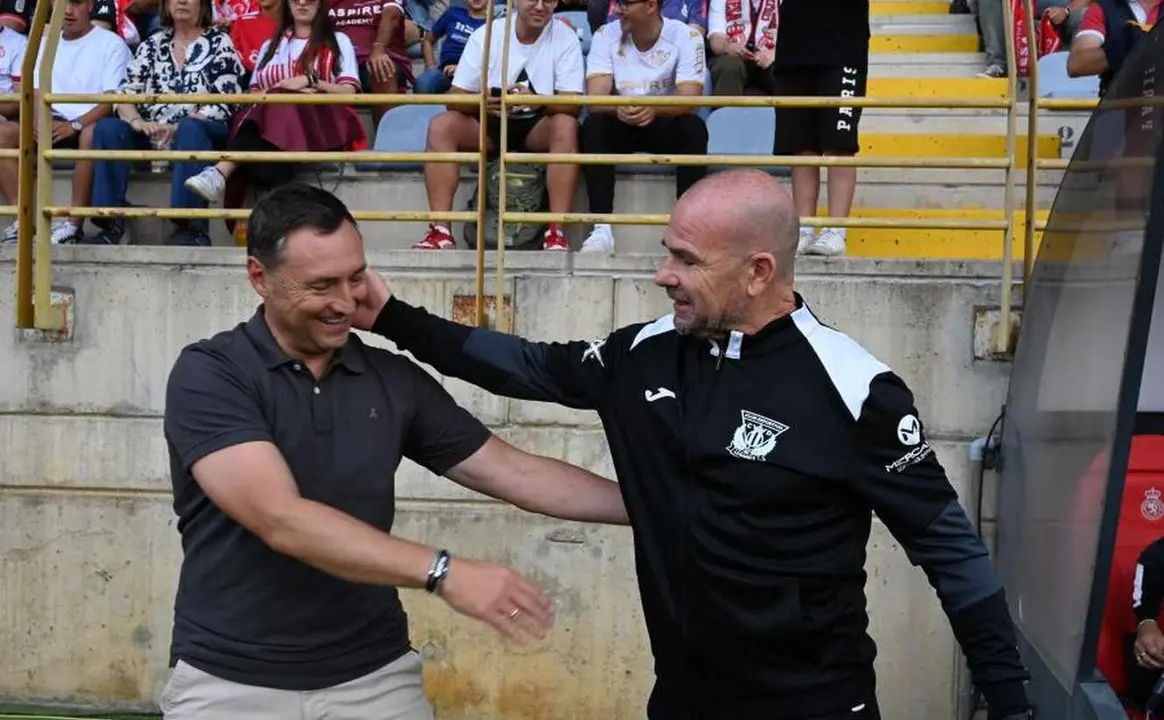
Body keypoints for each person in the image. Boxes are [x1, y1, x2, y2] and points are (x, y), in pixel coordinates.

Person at [357, 168, 1036, 720]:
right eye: (668, 251)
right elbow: (526, 366)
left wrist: (1012, 705)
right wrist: (392, 318)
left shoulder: (856, 389)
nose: (664, 274)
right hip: (682, 701)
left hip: (815, 704)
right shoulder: (644, 354)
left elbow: (954, 557)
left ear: (758, 271)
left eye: (686, 259)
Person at [161, 182, 629, 719]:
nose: (345, 302)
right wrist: (445, 571)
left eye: (356, 277)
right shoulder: (211, 373)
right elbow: (280, 518)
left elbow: (515, 472)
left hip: (375, 678)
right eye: (321, 285)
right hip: (228, 683)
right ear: (258, 277)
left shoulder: (391, 378)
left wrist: (657, 504)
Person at [415, 0, 583, 251]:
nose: (540, 6)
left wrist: (537, 101)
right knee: (441, 126)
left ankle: (556, 233)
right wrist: (483, 101)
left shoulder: (566, 37)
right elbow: (455, 97)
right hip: (490, 122)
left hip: (538, 125)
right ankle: (440, 231)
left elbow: (573, 104)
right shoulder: (487, 34)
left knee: (566, 126)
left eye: (548, 0)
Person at [90, 0, 245, 246]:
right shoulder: (152, 44)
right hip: (152, 130)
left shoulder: (220, 42)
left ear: (203, 6)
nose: (181, 1)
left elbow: (225, 100)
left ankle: (191, 229)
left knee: (190, 129)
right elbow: (126, 94)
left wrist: (176, 128)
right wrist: (138, 122)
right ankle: (111, 224)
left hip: (201, 129)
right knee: (108, 129)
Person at [183, 0, 365, 206]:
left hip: (322, 125)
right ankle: (274, 203)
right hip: (273, 127)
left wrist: (310, 81)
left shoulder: (338, 40)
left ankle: (221, 171)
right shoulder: (271, 45)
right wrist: (281, 92)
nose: (302, 3)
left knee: (280, 104)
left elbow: (349, 91)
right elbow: (254, 94)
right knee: (274, 108)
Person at [578, 0, 707, 253]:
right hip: (620, 118)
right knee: (594, 126)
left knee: (694, 129)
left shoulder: (687, 36)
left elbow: (691, 98)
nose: (618, 9)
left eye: (626, 3)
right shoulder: (605, 34)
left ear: (650, 6)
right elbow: (595, 98)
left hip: (664, 119)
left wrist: (654, 108)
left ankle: (687, 231)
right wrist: (618, 108)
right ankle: (601, 228)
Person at [0, 0, 131, 244]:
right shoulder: (44, 44)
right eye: (62, 3)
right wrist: (39, 121)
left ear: (90, 5)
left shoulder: (112, 43)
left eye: (76, 3)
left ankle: (73, 224)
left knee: (91, 134)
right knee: (2, 133)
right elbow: (35, 92)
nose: (68, 11)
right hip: (51, 119)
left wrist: (75, 125)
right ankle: (22, 221)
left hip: (87, 122)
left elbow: (112, 99)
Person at [771, 0, 870, 257]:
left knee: (839, 144)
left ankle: (836, 231)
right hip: (794, 50)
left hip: (842, 49)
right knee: (801, 147)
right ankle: (804, 228)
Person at [413, 0, 488, 96]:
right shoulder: (452, 13)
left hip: (475, 74)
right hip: (446, 72)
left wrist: (462, 69)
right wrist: (431, 68)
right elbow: (427, 40)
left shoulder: (494, 24)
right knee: (424, 83)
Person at [705, 0, 777, 96]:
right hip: (731, 55)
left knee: (785, 69)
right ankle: (726, 106)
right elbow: (715, 38)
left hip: (769, 55)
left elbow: (794, 37)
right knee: (728, 66)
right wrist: (727, 47)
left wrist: (775, 52)